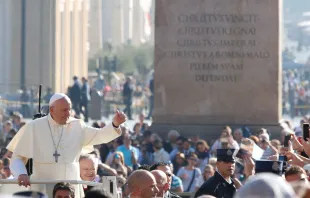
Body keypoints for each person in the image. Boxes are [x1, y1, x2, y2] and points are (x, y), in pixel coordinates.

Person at [7, 93, 126, 198]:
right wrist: (21, 173)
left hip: (71, 187)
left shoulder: (77, 126)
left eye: (69, 109)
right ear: (52, 110)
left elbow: (99, 135)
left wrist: (114, 124)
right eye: (64, 110)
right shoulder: (34, 127)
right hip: (43, 185)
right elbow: (17, 157)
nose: (68, 113)